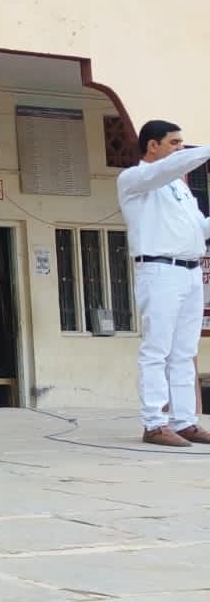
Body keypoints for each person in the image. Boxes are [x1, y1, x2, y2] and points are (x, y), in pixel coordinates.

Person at [117, 119, 210, 447]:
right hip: (159, 270)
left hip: (190, 271)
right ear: (152, 146)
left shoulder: (180, 188)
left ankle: (184, 421)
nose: (180, 148)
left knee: (185, 351)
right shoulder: (134, 178)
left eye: (182, 143)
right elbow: (171, 167)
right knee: (157, 349)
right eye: (174, 142)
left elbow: (200, 229)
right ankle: (155, 422)